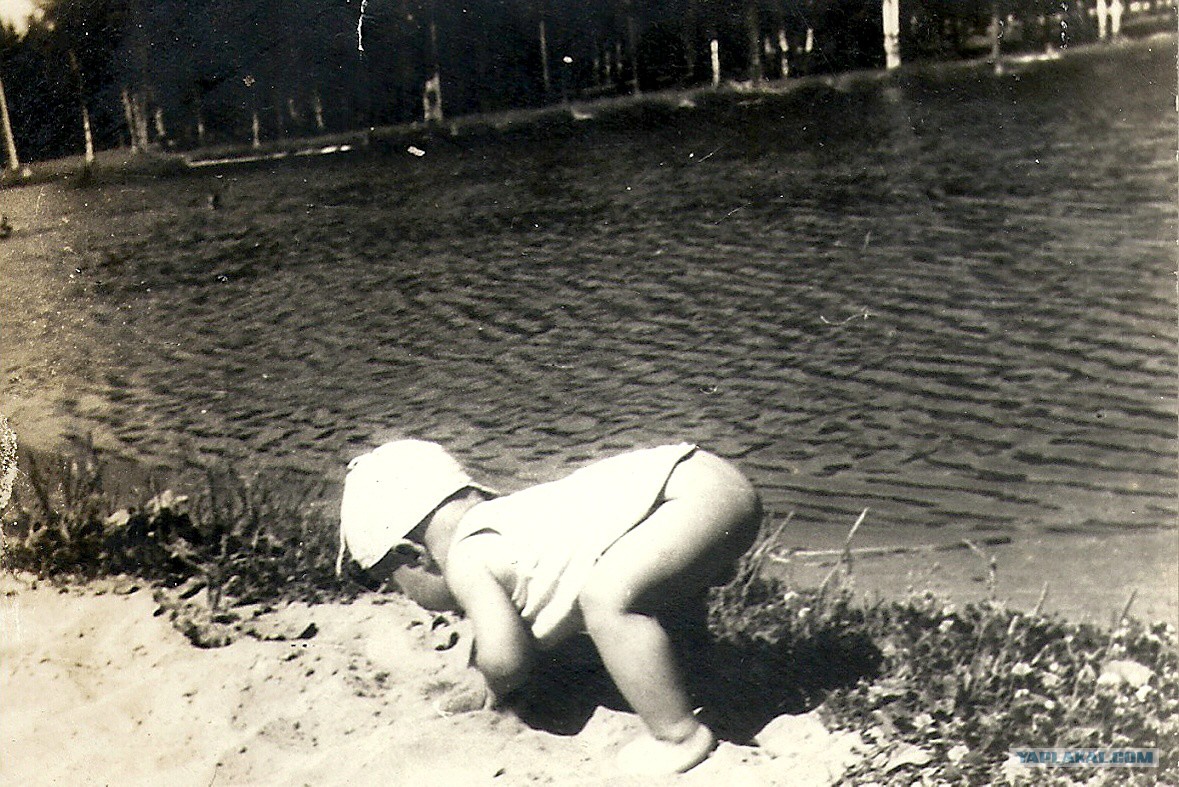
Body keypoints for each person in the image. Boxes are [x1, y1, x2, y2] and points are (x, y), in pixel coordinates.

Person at [336, 439, 762, 775]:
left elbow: (506, 660)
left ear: (412, 556)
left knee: (608, 599)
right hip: (704, 478)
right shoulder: (511, 521)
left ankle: (677, 735)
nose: (404, 595)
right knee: (643, 584)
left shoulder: (466, 560)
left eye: (390, 581)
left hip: (692, 500)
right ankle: (690, 667)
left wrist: (490, 682)